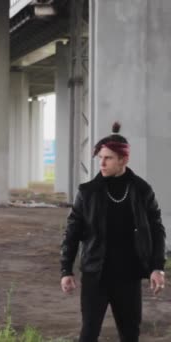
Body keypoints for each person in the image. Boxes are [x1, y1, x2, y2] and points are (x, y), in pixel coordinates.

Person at [59, 122, 166, 342]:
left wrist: (157, 267)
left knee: (130, 334)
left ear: (123, 160)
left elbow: (157, 230)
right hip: (95, 275)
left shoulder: (142, 190)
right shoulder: (87, 192)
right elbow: (72, 232)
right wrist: (66, 270)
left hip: (128, 276)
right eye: (100, 158)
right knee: (88, 333)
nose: (102, 163)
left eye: (107, 158)